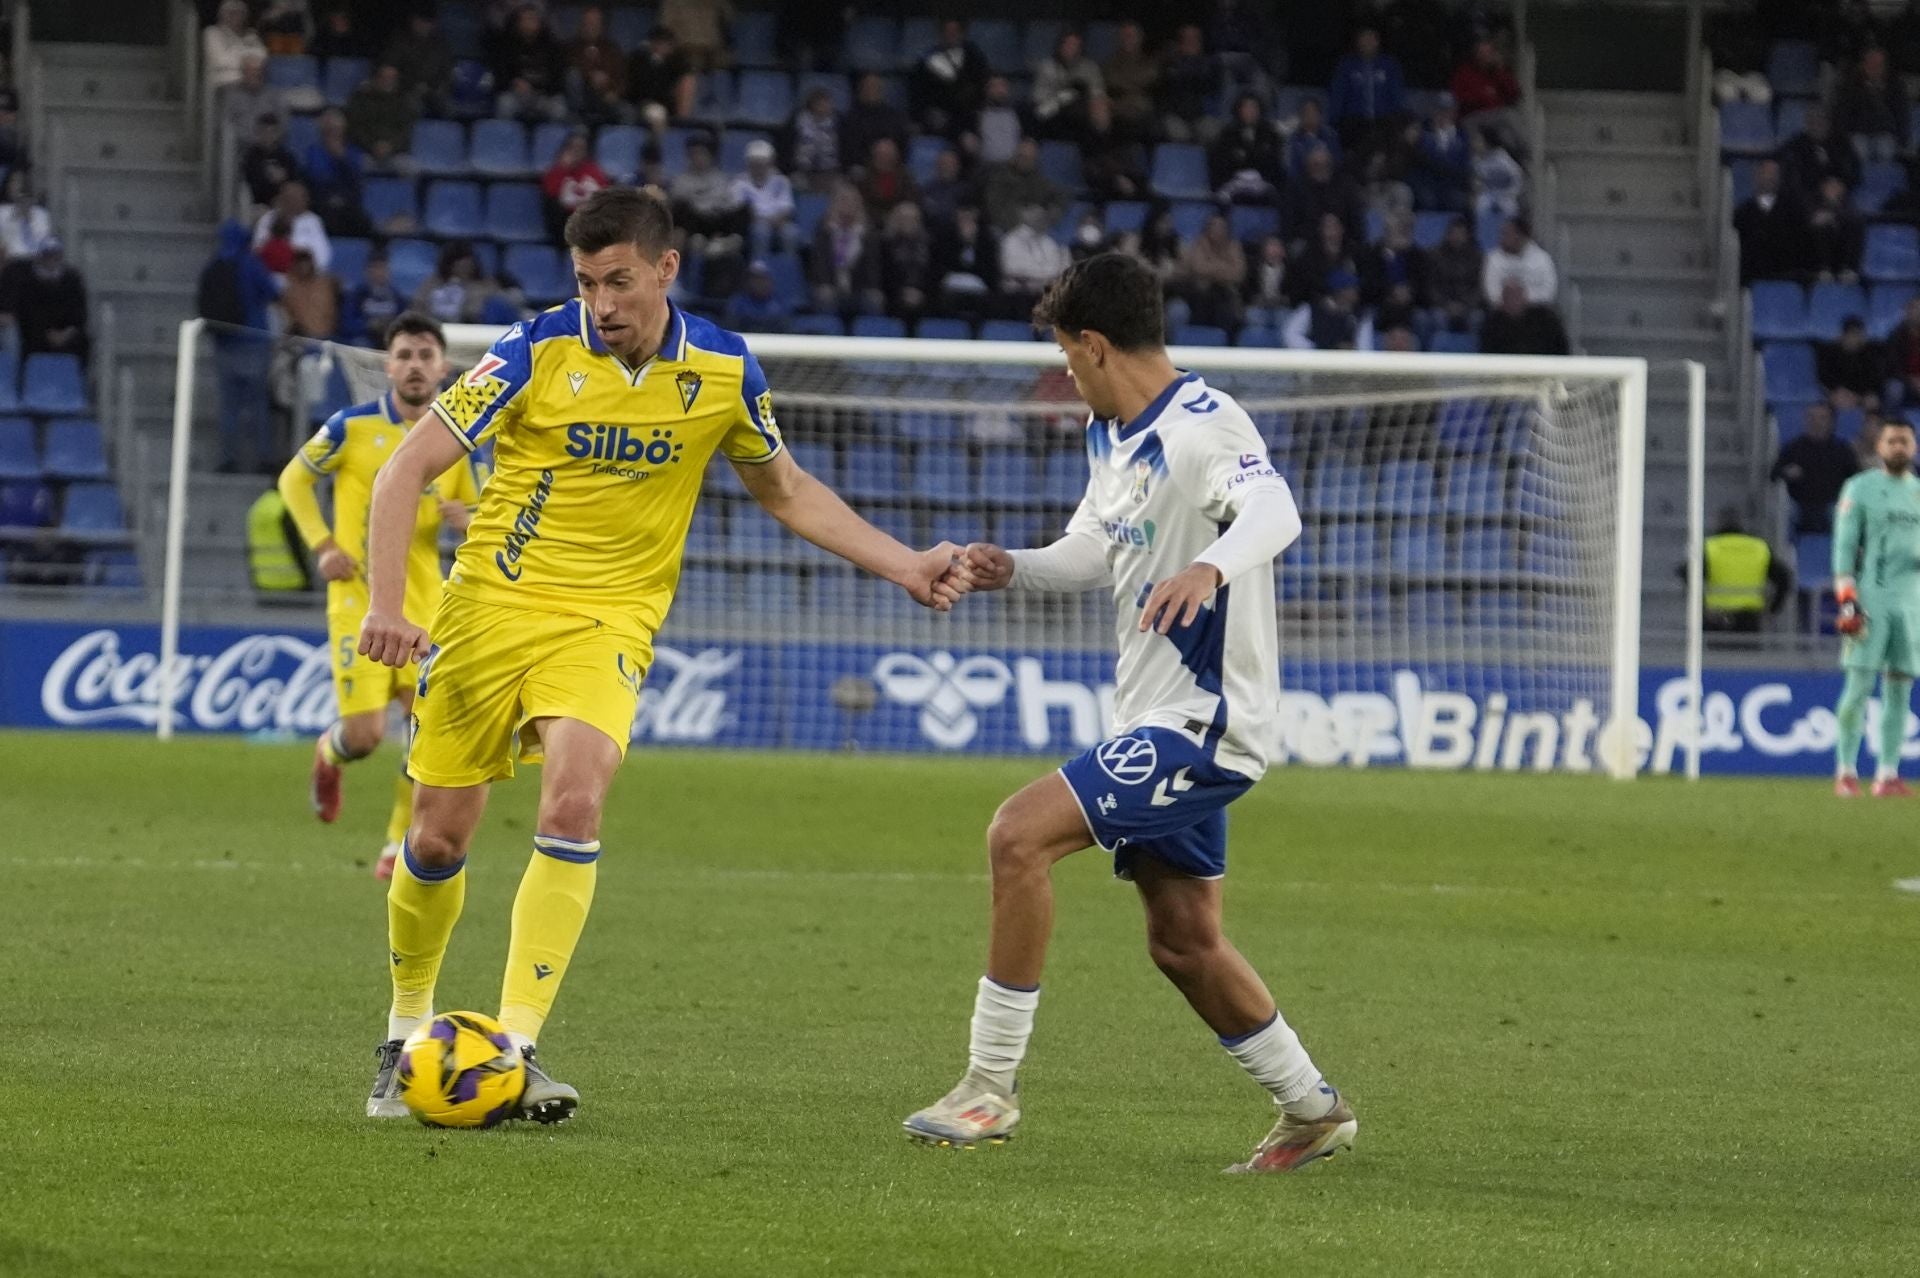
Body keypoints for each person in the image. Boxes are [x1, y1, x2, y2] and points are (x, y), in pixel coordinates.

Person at [353, 186, 966, 1123]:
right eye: (589, 282)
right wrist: (389, 608)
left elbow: (787, 489)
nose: (603, 304)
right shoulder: (531, 351)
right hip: (488, 611)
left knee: (576, 794)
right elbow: (406, 469)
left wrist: (905, 565)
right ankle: (404, 1031)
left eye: (621, 281)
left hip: (609, 621)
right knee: (437, 838)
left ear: (666, 269)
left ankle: (514, 1047)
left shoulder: (721, 370)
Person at [901, 252, 1354, 1174]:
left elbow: (1277, 511)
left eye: (1068, 356)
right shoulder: (1111, 435)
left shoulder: (1202, 427)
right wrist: (1012, 566)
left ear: (1097, 345)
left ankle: (988, 1088)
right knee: (1184, 941)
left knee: (1017, 837)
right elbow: (1097, 547)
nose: (1066, 374)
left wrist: (1211, 565)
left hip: (1203, 723)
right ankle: (1312, 1110)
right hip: (1151, 713)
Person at [279, 313, 479, 880]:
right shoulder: (350, 428)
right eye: (405, 355)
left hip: (430, 606)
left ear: (443, 367)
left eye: (425, 355)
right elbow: (293, 479)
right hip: (357, 603)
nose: (415, 366)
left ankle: (397, 845)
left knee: (427, 733)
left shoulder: (459, 444)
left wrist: (469, 518)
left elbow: (487, 512)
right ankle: (330, 752)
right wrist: (322, 544)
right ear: (387, 366)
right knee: (366, 736)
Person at [1831, 418, 1920, 796]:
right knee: (1860, 685)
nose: (1898, 447)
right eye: (1891, 441)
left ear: (1913, 446)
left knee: (1900, 688)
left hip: (1912, 605)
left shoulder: (1918, 492)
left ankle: (1886, 773)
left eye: (1904, 440)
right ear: (1879, 447)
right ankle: (1846, 770)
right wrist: (1847, 597)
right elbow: (1845, 545)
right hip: (1872, 600)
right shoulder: (1861, 488)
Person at [199, 220, 281, 473]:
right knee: (257, 403)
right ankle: (263, 458)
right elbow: (272, 292)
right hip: (254, 341)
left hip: (224, 343)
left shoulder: (213, 266)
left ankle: (228, 458)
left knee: (229, 406)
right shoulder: (251, 265)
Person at [1698, 508, 1791, 635]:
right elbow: (1784, 579)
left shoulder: (1709, 547)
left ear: (1719, 524)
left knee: (1717, 654)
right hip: (1750, 618)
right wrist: (1773, 609)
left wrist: (1700, 606)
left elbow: (1687, 575)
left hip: (1716, 617)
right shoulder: (1759, 547)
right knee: (1747, 653)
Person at [1772, 402, 1859, 534]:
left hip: (1832, 505)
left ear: (1831, 422)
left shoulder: (1842, 450)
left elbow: (1856, 479)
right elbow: (1774, 475)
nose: (1816, 422)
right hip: (1800, 505)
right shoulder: (1793, 448)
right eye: (1812, 418)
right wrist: (1786, 473)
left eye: (1822, 418)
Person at [1327, 25, 1406, 159]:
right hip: (1354, 123)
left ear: (1378, 41)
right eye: (1364, 38)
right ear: (1358, 41)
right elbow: (1338, 96)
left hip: (1382, 123)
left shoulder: (1389, 65)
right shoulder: (1347, 65)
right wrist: (1335, 123)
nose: (1368, 42)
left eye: (1372, 38)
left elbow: (1397, 96)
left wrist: (1399, 122)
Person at [9, 238, 89, 362]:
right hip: (35, 336)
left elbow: (79, 313)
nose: (51, 259)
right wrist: (46, 333)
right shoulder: (28, 282)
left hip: (66, 335)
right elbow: (26, 313)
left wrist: (66, 333)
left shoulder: (72, 280)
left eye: (55, 255)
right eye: (47, 255)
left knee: (83, 341)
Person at [809, 181, 882, 316]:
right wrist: (825, 283)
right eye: (843, 201)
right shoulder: (824, 230)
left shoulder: (867, 233)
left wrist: (871, 287)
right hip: (831, 285)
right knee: (825, 297)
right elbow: (819, 263)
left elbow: (872, 266)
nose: (847, 205)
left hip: (858, 288)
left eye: (852, 201)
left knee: (874, 299)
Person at [1733, 160, 1810, 285]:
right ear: (1756, 176)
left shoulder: (1793, 212)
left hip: (1786, 276)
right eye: (1765, 173)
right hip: (1751, 278)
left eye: (1773, 174)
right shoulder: (1742, 213)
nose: (1769, 177)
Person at [910, 19, 989, 138]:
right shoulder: (928, 60)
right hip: (937, 116)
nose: (951, 34)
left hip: (966, 116)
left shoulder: (973, 56)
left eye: (955, 31)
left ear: (962, 34)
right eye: (948, 31)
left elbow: (980, 85)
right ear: (942, 34)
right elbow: (918, 92)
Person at [302, 109, 371, 238]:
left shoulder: (353, 152)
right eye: (329, 130)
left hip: (348, 203)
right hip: (322, 202)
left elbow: (355, 180)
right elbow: (318, 178)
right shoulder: (314, 152)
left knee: (364, 223)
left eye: (336, 129)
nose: (333, 134)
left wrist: (341, 158)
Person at [492, 3, 567, 122]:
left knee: (559, 108)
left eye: (533, 19)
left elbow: (558, 78)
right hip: (518, 96)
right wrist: (515, 82)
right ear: (518, 23)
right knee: (504, 103)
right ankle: (506, 139)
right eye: (526, 19)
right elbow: (502, 75)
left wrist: (542, 88)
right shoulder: (508, 46)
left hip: (543, 96)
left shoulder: (551, 46)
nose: (530, 23)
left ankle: (553, 139)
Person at [1833, 47, 1908, 162]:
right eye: (1871, 63)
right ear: (1863, 64)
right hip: (1858, 132)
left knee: (1885, 151)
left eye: (1878, 64)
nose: (1874, 68)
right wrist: (1843, 137)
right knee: (1859, 151)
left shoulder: (1895, 86)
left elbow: (1901, 113)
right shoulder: (1850, 85)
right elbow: (1843, 112)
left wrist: (1902, 139)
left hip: (1885, 132)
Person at [1176, 212, 1247, 330]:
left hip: (1226, 294)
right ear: (1207, 228)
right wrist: (1224, 267)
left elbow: (1238, 273)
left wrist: (1211, 268)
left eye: (1221, 227)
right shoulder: (1199, 243)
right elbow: (1198, 268)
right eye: (1214, 226)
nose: (1218, 230)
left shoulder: (1234, 246)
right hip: (1200, 295)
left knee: (1228, 303)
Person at [998, 204, 1072, 317]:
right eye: (1033, 209)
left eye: (1041, 209)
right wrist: (1044, 277)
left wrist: (1042, 278)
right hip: (1019, 297)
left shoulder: (1049, 242)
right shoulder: (1011, 239)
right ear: (1023, 213)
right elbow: (1012, 269)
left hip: (1046, 295)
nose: (1038, 213)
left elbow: (1059, 271)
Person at [1031, 30, 1105, 143]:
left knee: (1099, 110)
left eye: (1075, 45)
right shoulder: (1047, 67)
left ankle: (1099, 152)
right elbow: (1039, 101)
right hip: (1055, 114)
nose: (1071, 48)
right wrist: (1065, 96)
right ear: (1060, 46)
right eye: (1068, 44)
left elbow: (1097, 93)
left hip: (1083, 113)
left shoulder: (1090, 68)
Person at [1209, 94, 1284, 204]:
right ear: (1239, 110)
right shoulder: (1228, 134)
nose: (1250, 111)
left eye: (1254, 107)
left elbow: (1274, 163)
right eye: (1246, 107)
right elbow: (1219, 162)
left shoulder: (1270, 134)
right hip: (1233, 183)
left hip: (1263, 184)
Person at [541, 130, 611, 242]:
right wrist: (562, 169)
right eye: (572, 147)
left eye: (580, 148)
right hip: (563, 222)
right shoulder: (556, 171)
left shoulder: (593, 170)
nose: (576, 152)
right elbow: (551, 192)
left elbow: (602, 194)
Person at [345, 64, 418, 170]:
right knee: (357, 164)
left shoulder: (403, 103)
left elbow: (405, 131)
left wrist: (390, 146)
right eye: (383, 77)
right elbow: (355, 129)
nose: (387, 81)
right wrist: (372, 146)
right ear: (375, 78)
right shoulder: (360, 100)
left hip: (395, 153)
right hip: (365, 151)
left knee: (410, 167)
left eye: (391, 78)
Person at [984, 138, 1065, 234]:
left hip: (1035, 229)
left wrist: (1054, 210)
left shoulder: (1037, 177)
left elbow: (1060, 193)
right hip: (1007, 229)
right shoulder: (999, 175)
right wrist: (1021, 216)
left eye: (1030, 159)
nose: (1024, 161)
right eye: (1021, 156)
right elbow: (994, 208)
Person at [253, 181, 332, 273]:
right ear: (282, 199)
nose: (295, 202)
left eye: (299, 198)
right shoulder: (268, 219)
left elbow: (323, 254)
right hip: (271, 272)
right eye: (290, 199)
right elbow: (258, 247)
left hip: (306, 273)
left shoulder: (313, 220)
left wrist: (301, 256)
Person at [626, 24, 695, 125]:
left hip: (667, 107)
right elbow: (639, 90)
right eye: (660, 42)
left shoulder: (675, 64)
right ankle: (655, 140)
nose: (663, 47)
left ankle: (681, 123)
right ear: (652, 43)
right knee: (656, 113)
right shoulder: (639, 61)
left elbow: (686, 75)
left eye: (667, 43)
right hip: (643, 104)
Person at [1102, 20, 1158, 141]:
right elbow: (1111, 81)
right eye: (1124, 35)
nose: (1127, 39)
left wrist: (1125, 84)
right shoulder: (1110, 63)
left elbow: (1149, 79)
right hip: (1117, 110)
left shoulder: (1149, 62)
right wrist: (1135, 85)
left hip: (1141, 113)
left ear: (1140, 38)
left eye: (1131, 35)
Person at [1479, 280, 1569, 355]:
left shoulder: (1546, 320)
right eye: (1509, 296)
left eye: (1517, 295)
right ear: (1502, 299)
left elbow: (1560, 348)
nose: (1513, 300)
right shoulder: (1493, 324)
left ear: (1524, 296)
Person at [1482, 217, 1555, 307]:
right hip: (1503, 311)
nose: (1501, 238)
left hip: (1535, 310)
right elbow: (1491, 293)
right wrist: (1511, 301)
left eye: (1506, 234)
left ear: (1520, 236)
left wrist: (1523, 297)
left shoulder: (1542, 259)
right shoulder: (1493, 258)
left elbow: (1548, 293)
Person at [1429, 213, 1483, 329]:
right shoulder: (1435, 255)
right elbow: (1431, 286)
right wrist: (1446, 305)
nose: (1456, 237)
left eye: (1460, 234)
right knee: (1436, 317)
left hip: (1468, 306)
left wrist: (1465, 305)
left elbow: (1479, 287)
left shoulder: (1477, 257)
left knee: (1477, 318)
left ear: (1467, 236)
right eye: (1453, 233)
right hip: (1442, 306)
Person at [1806, 176, 1865, 281]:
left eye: (1836, 186)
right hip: (1816, 263)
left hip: (1842, 259)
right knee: (1819, 227)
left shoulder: (1849, 206)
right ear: (1823, 188)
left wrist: (1833, 215)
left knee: (1853, 224)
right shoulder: (1811, 204)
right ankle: (1823, 269)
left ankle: (1848, 269)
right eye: (1830, 186)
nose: (1833, 190)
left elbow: (1854, 219)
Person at [342, 249, 404, 346]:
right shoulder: (357, 295)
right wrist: (368, 325)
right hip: (364, 338)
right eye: (375, 268)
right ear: (367, 271)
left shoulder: (396, 296)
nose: (379, 272)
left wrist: (390, 325)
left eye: (382, 268)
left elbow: (404, 321)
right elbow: (347, 324)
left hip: (389, 337)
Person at [786, 87, 843, 192]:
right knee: (795, 184)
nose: (825, 107)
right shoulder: (797, 121)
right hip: (802, 170)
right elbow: (787, 146)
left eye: (827, 103)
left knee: (840, 188)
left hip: (830, 171)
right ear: (812, 105)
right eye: (820, 104)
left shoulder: (839, 122)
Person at [205, 0, 268, 92]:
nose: (235, 16)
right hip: (223, 83)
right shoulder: (212, 33)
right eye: (231, 13)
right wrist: (248, 58)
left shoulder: (251, 35)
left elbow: (263, 57)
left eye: (240, 13)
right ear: (222, 15)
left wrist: (236, 54)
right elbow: (220, 61)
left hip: (253, 83)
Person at [278, 247, 340, 340]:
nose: (304, 267)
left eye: (306, 263)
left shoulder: (326, 283)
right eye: (300, 264)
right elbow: (288, 317)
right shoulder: (291, 290)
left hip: (329, 336)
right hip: (303, 338)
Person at [724, 258, 792, 332]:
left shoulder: (781, 304)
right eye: (755, 278)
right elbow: (730, 332)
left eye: (763, 278)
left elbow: (787, 332)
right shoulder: (737, 304)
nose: (759, 283)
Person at [0, 171, 54, 261]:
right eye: (20, 198)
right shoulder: (2, 212)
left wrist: (29, 218)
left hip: (35, 261)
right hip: (10, 260)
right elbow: (3, 239)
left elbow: (44, 240)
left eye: (27, 198)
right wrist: (15, 217)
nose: (24, 202)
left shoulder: (41, 214)